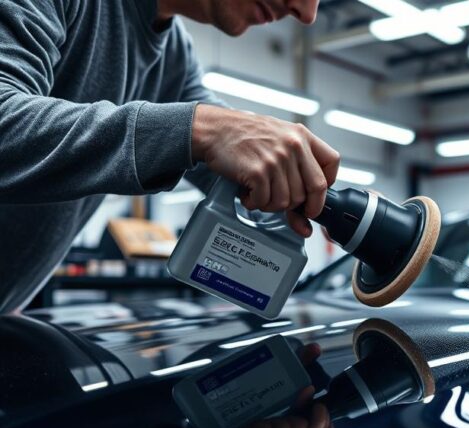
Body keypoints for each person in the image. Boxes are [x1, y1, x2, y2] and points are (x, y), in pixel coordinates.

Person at [0, 0, 341, 313]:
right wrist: (199, 129)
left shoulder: (175, 55)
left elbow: (242, 163)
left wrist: (344, 206)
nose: (306, 13)